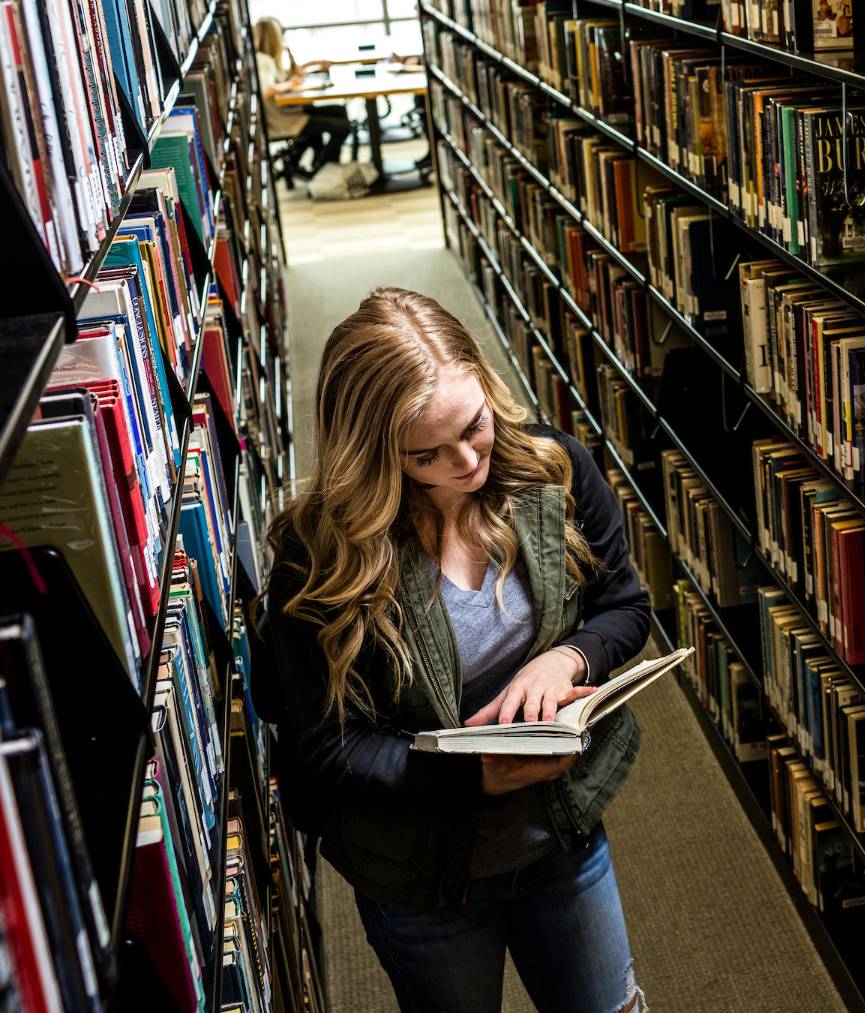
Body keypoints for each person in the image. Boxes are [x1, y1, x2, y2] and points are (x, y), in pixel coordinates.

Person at [256, 288, 651, 1013]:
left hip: (560, 836)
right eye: (425, 455)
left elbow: (625, 606)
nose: (467, 459)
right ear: (374, 451)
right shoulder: (320, 557)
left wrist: (566, 659)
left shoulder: (553, 471)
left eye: (476, 426)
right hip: (422, 876)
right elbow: (328, 747)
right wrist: (475, 780)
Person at [252, 18, 354, 178]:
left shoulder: (267, 60)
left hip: (288, 112)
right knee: (343, 126)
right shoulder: (263, 61)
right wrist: (290, 84)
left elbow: (285, 77)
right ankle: (324, 168)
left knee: (339, 111)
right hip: (282, 120)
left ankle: (319, 161)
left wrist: (310, 65)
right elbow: (267, 90)